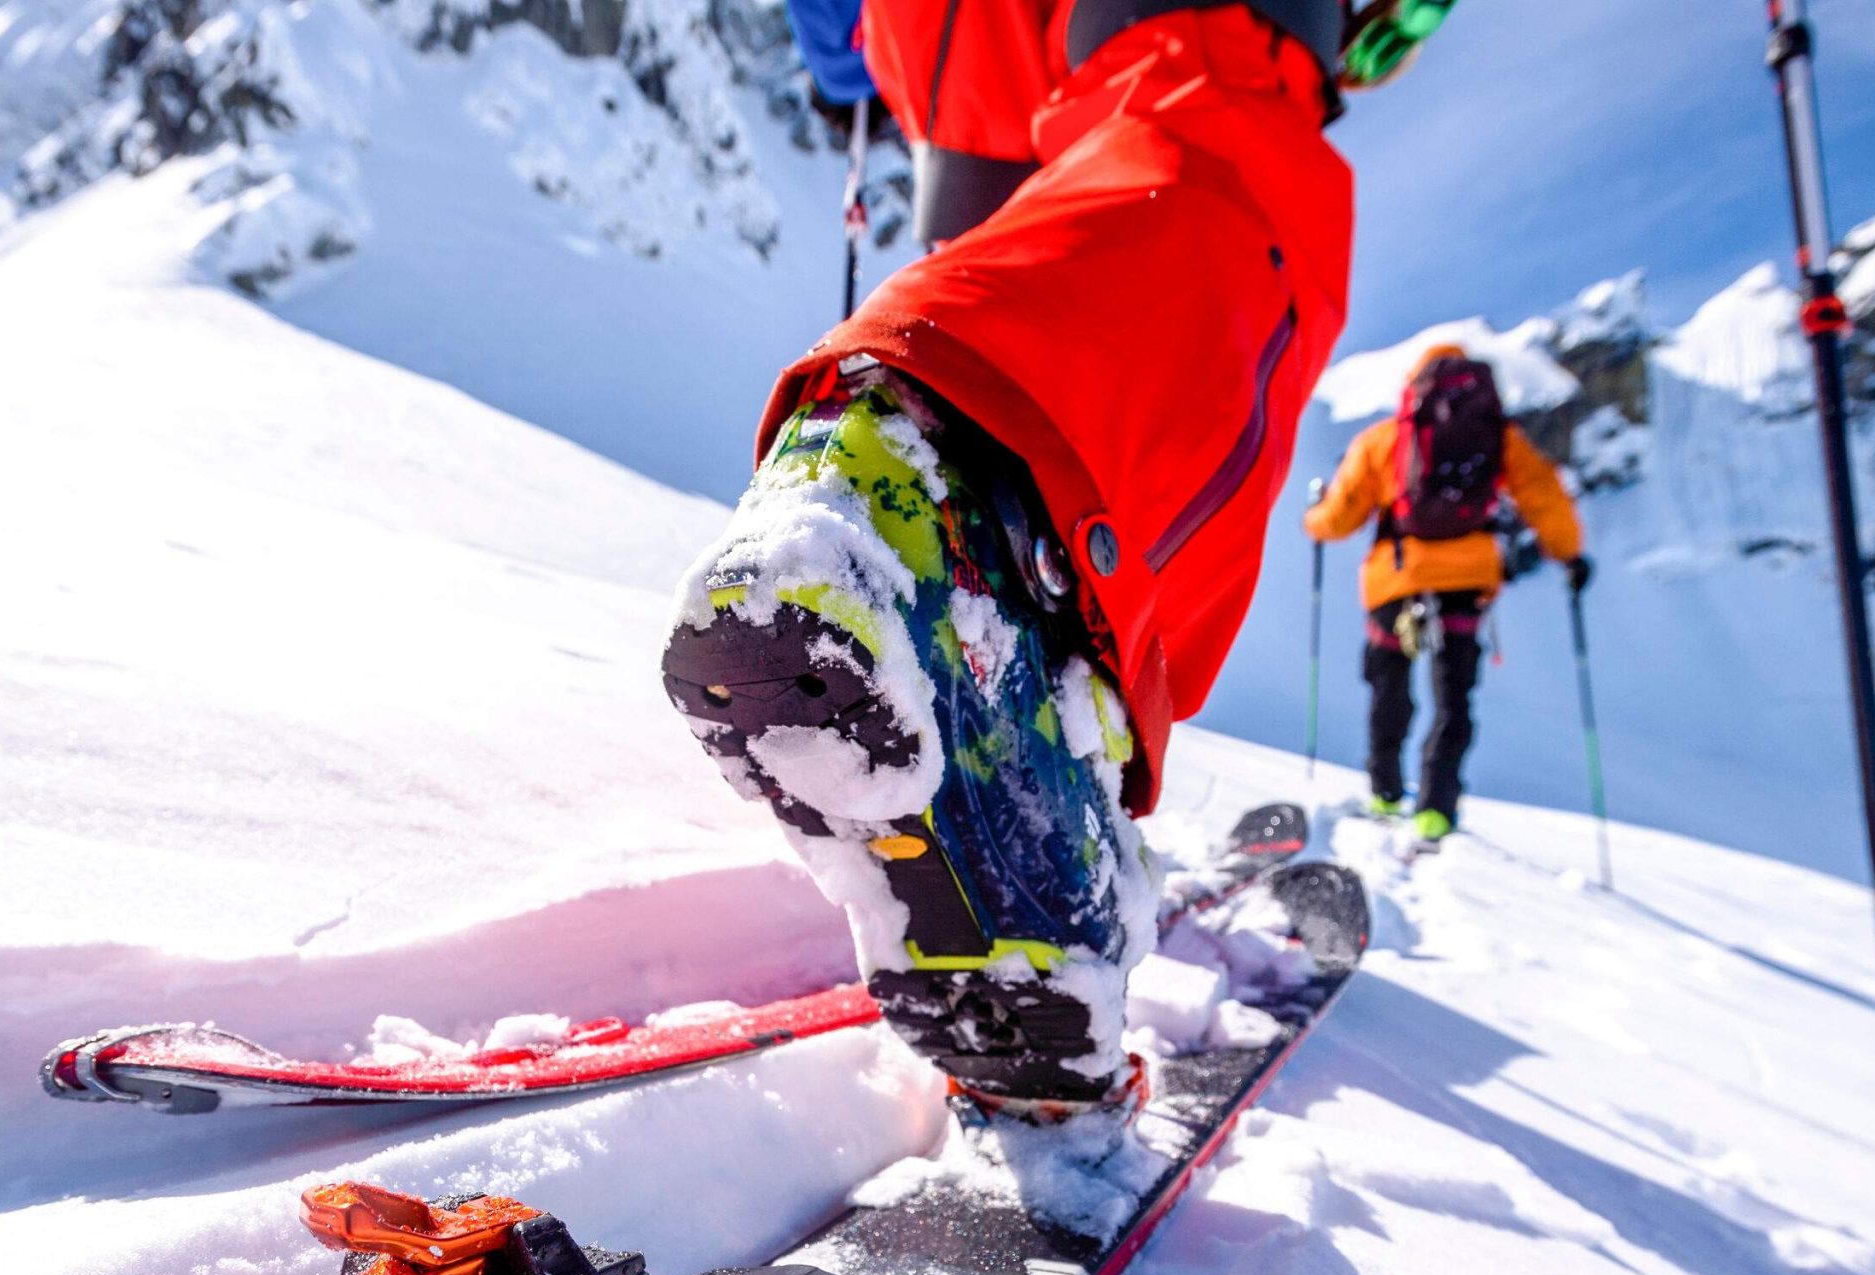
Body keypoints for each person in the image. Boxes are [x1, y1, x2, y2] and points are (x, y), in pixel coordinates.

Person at [661, 0, 1456, 1122]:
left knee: (1053, 272)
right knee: (1220, 143)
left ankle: (981, 653)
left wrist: (846, 53)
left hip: (961, 74)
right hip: (1075, 57)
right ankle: (922, 509)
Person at [1303, 343, 1589, 845]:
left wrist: (1315, 516)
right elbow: (1544, 496)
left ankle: (1386, 792)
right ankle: (1437, 808)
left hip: (1395, 581)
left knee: (1389, 687)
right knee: (1453, 697)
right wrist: (1569, 555)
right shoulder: (1498, 437)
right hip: (1465, 585)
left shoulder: (1383, 441)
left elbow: (1340, 517)